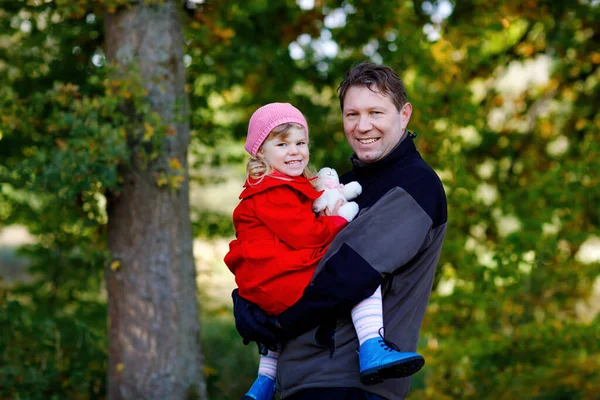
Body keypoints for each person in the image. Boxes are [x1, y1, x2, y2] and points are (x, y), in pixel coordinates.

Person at [231, 61, 448, 400]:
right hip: (300, 381)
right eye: (352, 115)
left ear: (404, 114)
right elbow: (283, 251)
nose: (363, 126)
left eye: (376, 112)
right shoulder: (338, 186)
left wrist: (274, 323)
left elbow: (348, 274)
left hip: (351, 385)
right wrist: (246, 299)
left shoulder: (415, 185)